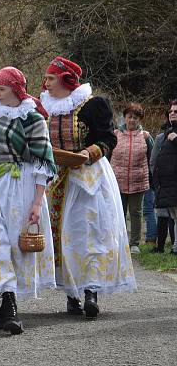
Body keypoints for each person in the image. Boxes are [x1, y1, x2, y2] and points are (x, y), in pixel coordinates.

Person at [41, 56, 136, 318]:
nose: (46, 83)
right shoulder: (45, 108)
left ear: (65, 79)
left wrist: (87, 154)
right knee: (64, 235)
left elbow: (108, 139)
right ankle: (71, 293)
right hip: (58, 178)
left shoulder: (93, 104)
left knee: (89, 233)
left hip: (89, 177)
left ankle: (91, 290)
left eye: (50, 78)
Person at [0, 67, 56, 335]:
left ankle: (11, 301)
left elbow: (43, 161)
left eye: (2, 89)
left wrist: (37, 203)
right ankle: (7, 297)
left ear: (17, 90)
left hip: (22, 182)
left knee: (17, 243)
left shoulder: (33, 119)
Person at [110, 103, 154, 254]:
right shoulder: (115, 134)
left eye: (135, 117)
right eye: (129, 117)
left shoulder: (146, 137)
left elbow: (151, 159)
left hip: (138, 180)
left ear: (140, 120)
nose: (132, 120)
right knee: (118, 211)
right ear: (125, 117)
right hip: (117, 180)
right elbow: (107, 156)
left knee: (136, 212)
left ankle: (134, 243)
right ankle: (118, 240)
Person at [151, 99, 177, 254]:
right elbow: (154, 162)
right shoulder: (163, 136)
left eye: (176, 111)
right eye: (171, 111)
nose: (172, 114)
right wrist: (157, 182)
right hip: (166, 184)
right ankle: (169, 248)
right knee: (171, 216)